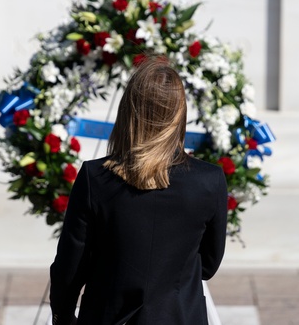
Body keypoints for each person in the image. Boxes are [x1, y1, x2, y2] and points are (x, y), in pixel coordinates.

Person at [49, 57, 228, 325]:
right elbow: (208, 265)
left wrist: (63, 317)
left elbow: (70, 267)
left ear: (129, 111)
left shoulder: (95, 178)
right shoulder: (208, 181)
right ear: (179, 114)